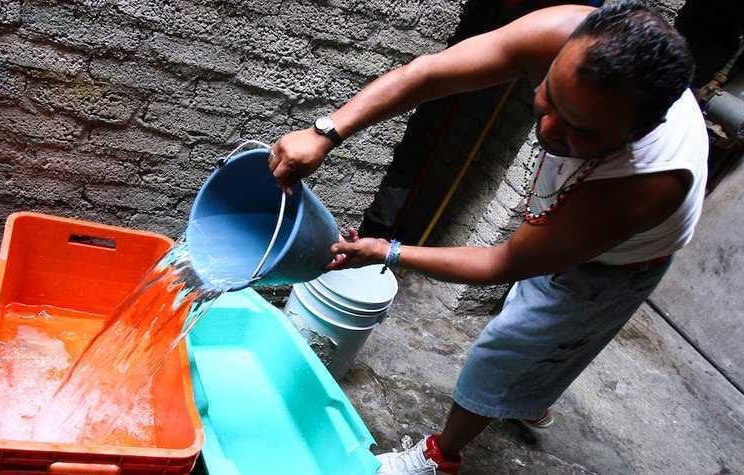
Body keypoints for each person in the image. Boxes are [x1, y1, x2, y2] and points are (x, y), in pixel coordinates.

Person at [268, 1, 706, 473]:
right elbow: (430, 74)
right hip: (565, 227)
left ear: (640, 130)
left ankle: (441, 456)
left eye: (581, 130)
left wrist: (386, 251)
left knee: (509, 346)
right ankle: (529, 391)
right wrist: (326, 132)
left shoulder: (643, 185)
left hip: (613, 267)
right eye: (551, 96)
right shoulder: (559, 32)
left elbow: (503, 263)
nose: (549, 129)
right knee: (540, 349)